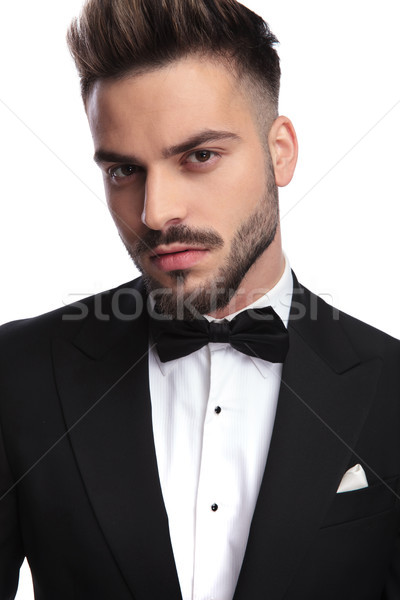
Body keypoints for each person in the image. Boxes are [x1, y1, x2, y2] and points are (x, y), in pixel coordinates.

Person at [0, 0, 399, 598]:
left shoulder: (392, 386)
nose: (155, 213)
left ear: (281, 152)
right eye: (122, 172)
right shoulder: (16, 372)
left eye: (200, 156)